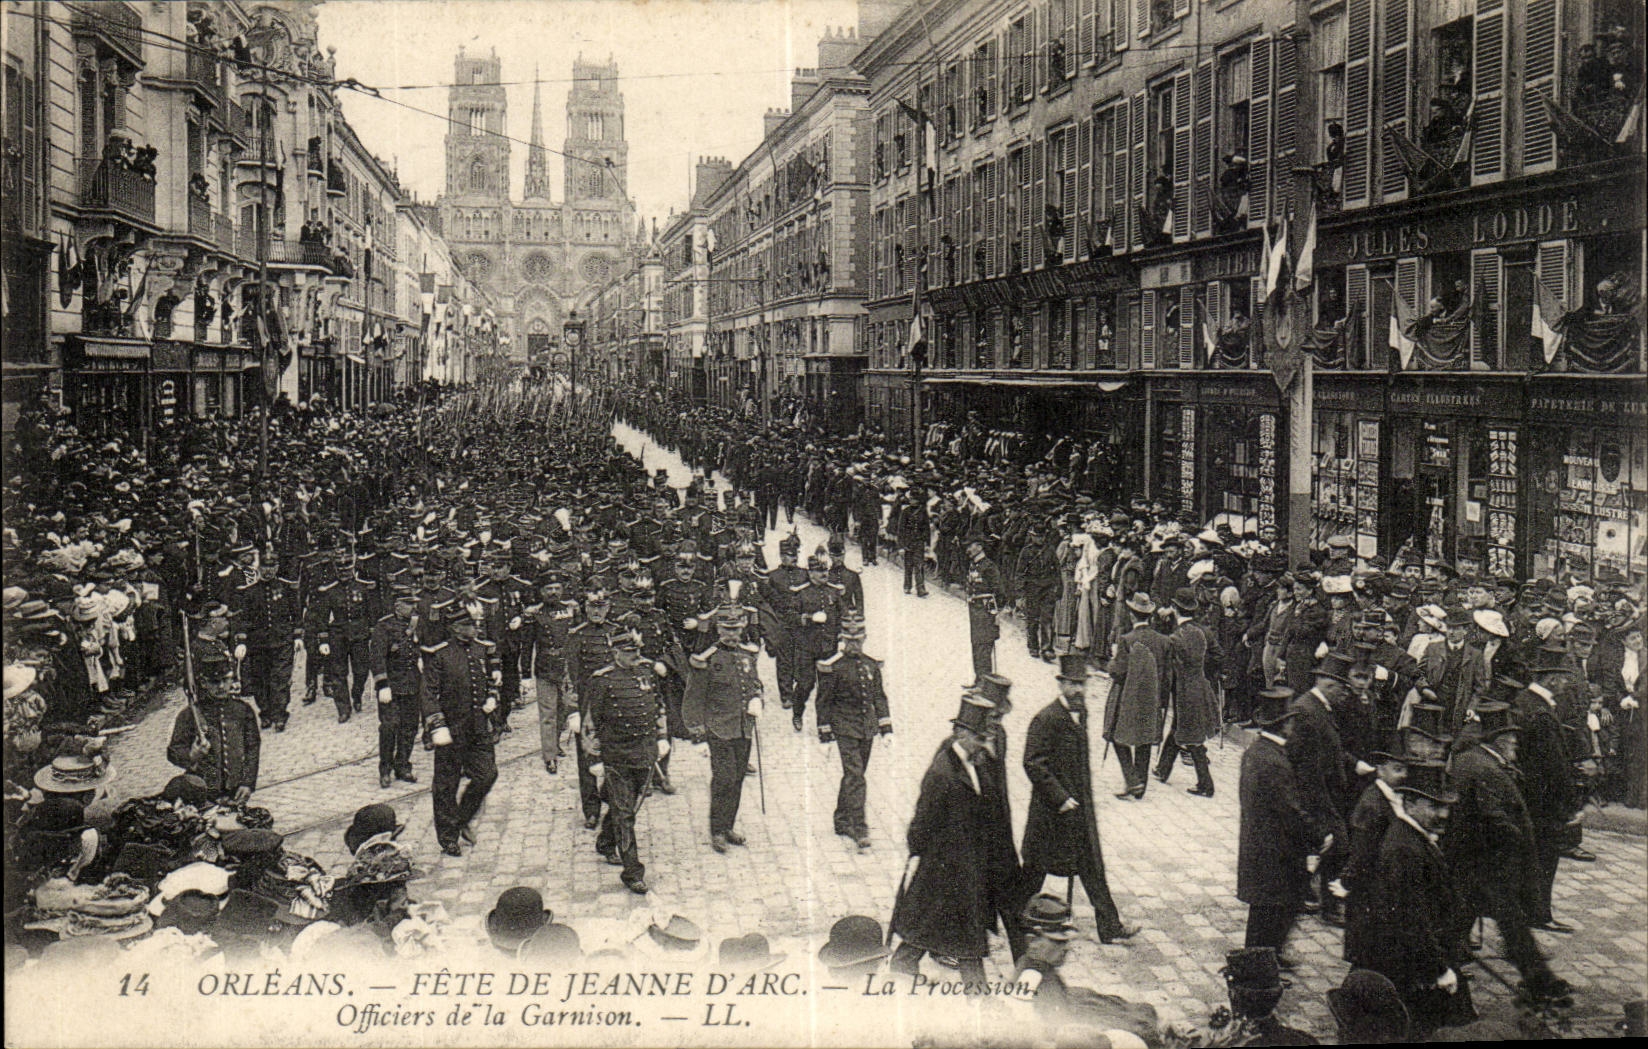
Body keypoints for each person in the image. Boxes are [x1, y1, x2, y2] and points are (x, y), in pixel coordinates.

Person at [1443, 701, 1571, 1005]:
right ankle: (1539, 982)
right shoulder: (1486, 769)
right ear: (1499, 740)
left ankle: (1538, 980)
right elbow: (1493, 818)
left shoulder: (1474, 761)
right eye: (1512, 738)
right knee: (1510, 924)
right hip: (1488, 865)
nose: (1516, 743)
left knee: (1468, 923)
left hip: (1475, 864)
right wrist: (1518, 842)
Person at [890, 692, 1025, 982]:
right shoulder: (943, 772)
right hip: (944, 869)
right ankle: (975, 997)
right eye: (977, 738)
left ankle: (972, 993)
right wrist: (923, 854)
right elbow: (921, 823)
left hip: (968, 868)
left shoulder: (976, 763)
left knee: (958, 936)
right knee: (939, 933)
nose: (982, 744)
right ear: (960, 733)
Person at [1018, 654, 1138, 944]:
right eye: (1072, 685)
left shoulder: (1081, 714)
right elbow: (1033, 763)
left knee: (1091, 867)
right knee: (1034, 872)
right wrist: (1060, 797)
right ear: (1061, 685)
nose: (1078, 691)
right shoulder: (1046, 718)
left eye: (1082, 684)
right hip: (1051, 814)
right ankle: (1011, 917)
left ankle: (1110, 927)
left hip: (1079, 812)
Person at [1361, 762, 1474, 1037]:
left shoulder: (1414, 837)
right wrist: (1439, 969)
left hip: (1423, 954)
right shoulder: (1404, 849)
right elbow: (1411, 918)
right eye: (1434, 806)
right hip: (1414, 964)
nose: (1444, 814)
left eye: (1446, 806)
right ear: (1409, 804)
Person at [585, 627, 670, 894]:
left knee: (628, 806)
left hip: (643, 752)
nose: (634, 656)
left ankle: (606, 842)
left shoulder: (646, 673)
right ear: (615, 653)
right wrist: (594, 757)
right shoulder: (602, 680)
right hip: (617, 756)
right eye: (628, 652)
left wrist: (662, 737)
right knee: (625, 814)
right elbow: (591, 723)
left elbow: (658, 706)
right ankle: (632, 872)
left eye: (636, 651)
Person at [1237, 686, 1317, 964]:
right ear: (1285, 724)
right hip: (1274, 850)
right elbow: (1290, 812)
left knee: (1265, 910)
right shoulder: (1275, 762)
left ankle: (1266, 957)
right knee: (1269, 912)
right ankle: (1259, 965)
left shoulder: (1256, 751)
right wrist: (1315, 836)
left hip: (1257, 845)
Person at [420, 602, 500, 857]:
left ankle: (462, 817)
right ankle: (448, 837)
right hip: (451, 729)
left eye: (475, 623)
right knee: (446, 785)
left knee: (487, 774)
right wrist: (437, 724)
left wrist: (493, 696)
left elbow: (492, 678)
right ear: (455, 628)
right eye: (468, 624)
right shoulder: (440, 654)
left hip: (478, 727)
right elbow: (429, 693)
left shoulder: (483, 649)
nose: (474, 628)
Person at [683, 602, 763, 854]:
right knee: (724, 779)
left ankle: (728, 825)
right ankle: (717, 829)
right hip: (718, 728)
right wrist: (697, 731)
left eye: (736, 630)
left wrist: (757, 699)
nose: (732, 635)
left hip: (743, 728)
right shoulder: (707, 659)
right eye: (727, 630)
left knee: (737, 778)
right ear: (718, 630)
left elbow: (755, 683)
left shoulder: (747, 654)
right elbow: (693, 696)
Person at [1513, 644, 1583, 932]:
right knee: (1545, 856)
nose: (1567, 683)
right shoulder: (1541, 713)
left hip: (1527, 795)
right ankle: (1539, 914)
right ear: (1552, 678)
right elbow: (1553, 766)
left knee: (1530, 856)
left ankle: (1528, 910)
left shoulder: (1524, 700)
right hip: (1543, 800)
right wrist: (1570, 802)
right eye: (1564, 677)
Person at [814, 611, 891, 851]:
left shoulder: (871, 665)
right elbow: (823, 700)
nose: (853, 645)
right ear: (842, 640)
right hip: (844, 727)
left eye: (857, 640)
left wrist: (886, 728)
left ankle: (841, 819)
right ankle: (859, 827)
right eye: (849, 640)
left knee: (854, 775)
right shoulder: (833, 667)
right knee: (856, 775)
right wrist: (825, 731)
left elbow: (879, 696)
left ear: (864, 639)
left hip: (867, 728)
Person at [166, 643, 260, 803]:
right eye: (215, 682)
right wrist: (191, 755)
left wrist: (247, 783)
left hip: (235, 792)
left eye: (225, 680)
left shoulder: (243, 710)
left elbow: (252, 748)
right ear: (203, 683)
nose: (221, 687)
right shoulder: (190, 715)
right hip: (203, 795)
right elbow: (173, 751)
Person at [1154, 588, 1222, 798]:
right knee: (1180, 728)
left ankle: (1206, 784)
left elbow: (1168, 667)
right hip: (1200, 685)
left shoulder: (1176, 637)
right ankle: (1163, 769)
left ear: (1175, 609)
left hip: (1185, 689)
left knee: (1192, 737)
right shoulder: (1200, 632)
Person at [1104, 592, 1169, 799]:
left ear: (1132, 615)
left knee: (1116, 734)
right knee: (1145, 739)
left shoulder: (1127, 640)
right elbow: (1167, 674)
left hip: (1127, 696)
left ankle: (1132, 780)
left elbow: (1118, 672)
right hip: (1153, 697)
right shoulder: (1163, 641)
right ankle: (1140, 784)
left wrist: (1111, 663)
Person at [368, 585, 422, 789]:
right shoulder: (384, 626)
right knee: (389, 727)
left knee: (410, 728)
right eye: (409, 604)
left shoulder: (417, 624)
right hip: (391, 686)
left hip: (412, 684)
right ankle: (385, 769)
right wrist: (382, 684)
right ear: (398, 606)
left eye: (414, 604)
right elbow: (377, 657)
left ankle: (403, 766)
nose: (413, 608)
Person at [964, 540, 1006, 684]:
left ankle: (984, 684)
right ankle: (978, 680)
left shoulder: (989, 567)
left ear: (980, 547)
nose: (968, 549)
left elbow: (999, 592)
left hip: (986, 611)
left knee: (984, 646)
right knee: (976, 644)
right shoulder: (974, 565)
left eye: (971, 545)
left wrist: (995, 612)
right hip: (975, 610)